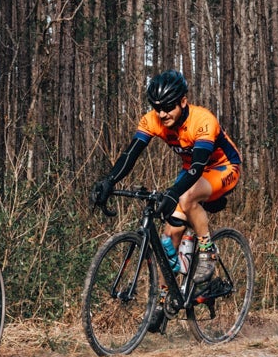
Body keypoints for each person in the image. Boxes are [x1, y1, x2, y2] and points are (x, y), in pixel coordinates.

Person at [90, 70, 242, 287]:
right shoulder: (152, 120)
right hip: (191, 171)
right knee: (169, 237)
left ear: (183, 101)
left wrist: (174, 192)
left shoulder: (203, 120)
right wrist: (109, 180)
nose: (162, 114)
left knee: (186, 196)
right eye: (157, 107)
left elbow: (199, 165)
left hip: (223, 167)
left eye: (168, 107)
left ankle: (208, 253)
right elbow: (130, 154)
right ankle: (162, 303)